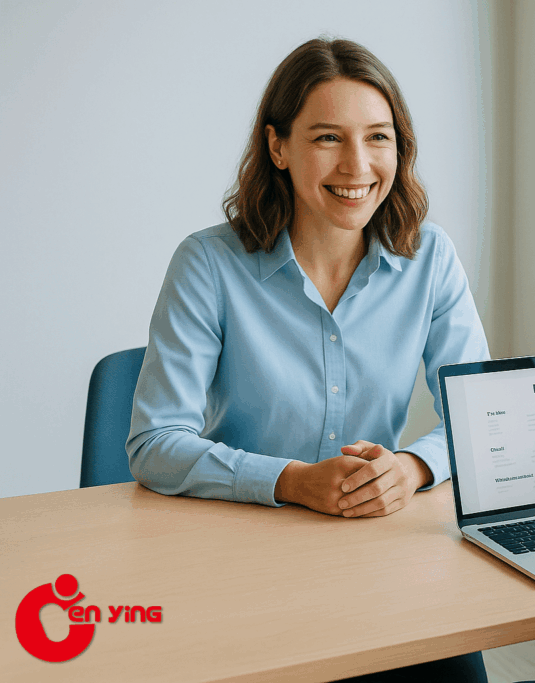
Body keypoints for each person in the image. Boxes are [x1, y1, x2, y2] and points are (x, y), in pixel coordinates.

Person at [127, 38, 490, 682]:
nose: (358, 164)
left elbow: (483, 415)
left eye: (378, 137)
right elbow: (155, 443)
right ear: (278, 147)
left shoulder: (429, 257)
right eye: (327, 137)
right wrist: (290, 481)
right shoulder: (208, 263)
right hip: (239, 559)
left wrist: (413, 466)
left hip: (378, 557)